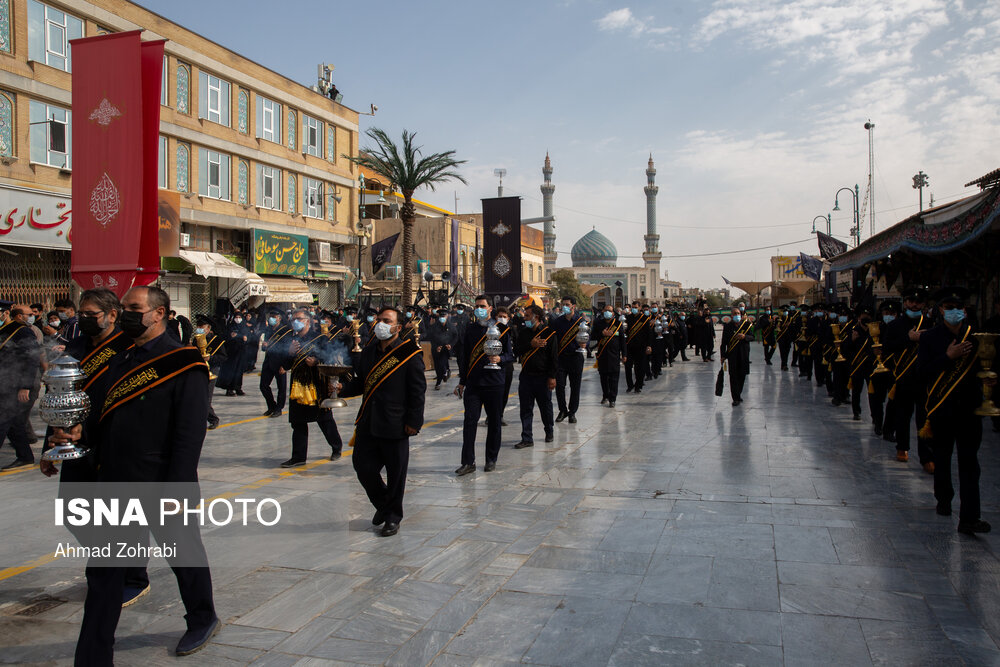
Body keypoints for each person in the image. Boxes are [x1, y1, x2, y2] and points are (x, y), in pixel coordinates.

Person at [51, 285, 219, 663]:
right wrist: (76, 433)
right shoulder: (117, 356)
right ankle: (93, 657)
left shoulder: (184, 361)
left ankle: (202, 617)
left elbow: (189, 433)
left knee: (184, 556)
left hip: (160, 482)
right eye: (124, 307)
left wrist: (178, 489)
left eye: (134, 308)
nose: (125, 314)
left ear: (159, 314)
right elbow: (101, 412)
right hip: (114, 481)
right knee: (103, 575)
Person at [40, 287, 152, 608]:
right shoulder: (74, 348)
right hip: (76, 445)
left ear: (112, 315)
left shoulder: (128, 348)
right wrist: (50, 445)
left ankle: (133, 578)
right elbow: (60, 398)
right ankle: (109, 567)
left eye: (91, 315)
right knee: (74, 514)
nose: (85, 319)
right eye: (82, 314)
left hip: (115, 443)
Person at [339, 306, 425, 537]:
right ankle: (385, 505)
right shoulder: (369, 351)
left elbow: (417, 391)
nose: (380, 324)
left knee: (396, 474)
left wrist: (414, 422)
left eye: (386, 321)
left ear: (398, 327)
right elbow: (362, 383)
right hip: (368, 421)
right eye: (379, 320)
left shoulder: (409, 353)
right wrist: (340, 389)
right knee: (363, 467)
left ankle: (392, 518)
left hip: (396, 422)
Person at [918, 286, 992, 535]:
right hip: (943, 408)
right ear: (941, 310)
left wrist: (990, 378)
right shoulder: (930, 337)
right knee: (942, 457)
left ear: (965, 311)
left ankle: (970, 517)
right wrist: (948, 356)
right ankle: (944, 499)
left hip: (969, 408)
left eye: (959, 308)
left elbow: (984, 367)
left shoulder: (976, 337)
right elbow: (923, 372)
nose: (955, 312)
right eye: (949, 308)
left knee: (970, 463)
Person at [455, 296, 513, 475]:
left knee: (494, 422)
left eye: (482, 306)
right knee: (469, 422)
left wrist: (500, 359)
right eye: (477, 306)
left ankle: (491, 459)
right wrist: (462, 381)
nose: (479, 309)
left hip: (494, 382)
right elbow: (465, 356)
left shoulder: (501, 329)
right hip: (474, 383)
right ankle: (468, 462)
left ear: (490, 309)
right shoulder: (470, 328)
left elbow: (510, 355)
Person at [282, 308, 343, 467]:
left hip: (316, 384)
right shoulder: (292, 340)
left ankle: (336, 447)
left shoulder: (320, 338)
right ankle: (298, 457)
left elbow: (330, 358)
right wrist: (289, 353)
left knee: (324, 419)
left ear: (307, 321)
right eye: (293, 319)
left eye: (299, 319)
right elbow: (286, 365)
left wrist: (316, 361)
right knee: (298, 422)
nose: (295, 322)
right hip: (298, 387)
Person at [885, 287, 934, 468]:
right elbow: (887, 348)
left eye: (918, 302)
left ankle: (926, 456)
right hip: (903, 378)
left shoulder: (931, 324)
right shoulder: (895, 325)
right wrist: (909, 339)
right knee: (903, 416)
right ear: (905, 303)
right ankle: (902, 447)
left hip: (924, 378)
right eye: (911, 301)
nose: (914, 305)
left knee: (924, 418)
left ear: (923, 304)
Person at [0, 304, 41, 469]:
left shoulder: (22, 331)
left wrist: (25, 386)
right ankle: (25, 456)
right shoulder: (5, 330)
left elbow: (31, 359)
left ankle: (25, 456)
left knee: (3, 419)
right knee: (14, 423)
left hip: (14, 383)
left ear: (6, 313)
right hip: (4, 382)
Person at [513, 305, 557, 448]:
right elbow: (517, 351)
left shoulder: (549, 333)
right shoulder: (523, 333)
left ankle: (549, 431)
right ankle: (527, 437)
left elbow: (553, 357)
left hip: (543, 377)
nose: (524, 318)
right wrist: (530, 345)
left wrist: (552, 376)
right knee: (525, 408)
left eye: (527, 316)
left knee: (545, 407)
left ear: (536, 317)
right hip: (526, 376)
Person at [551, 295, 586, 421]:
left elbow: (587, 336)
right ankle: (562, 410)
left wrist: (585, 344)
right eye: (563, 304)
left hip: (576, 357)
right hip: (561, 358)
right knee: (560, 386)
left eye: (567, 304)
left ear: (573, 306)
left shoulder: (581, 322)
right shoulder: (557, 322)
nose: (564, 307)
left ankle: (572, 412)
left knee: (575, 387)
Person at [193, 315, 227, 430]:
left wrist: (210, 358)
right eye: (198, 326)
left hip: (212, 370)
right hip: (199, 369)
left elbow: (223, 357)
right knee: (197, 397)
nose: (199, 329)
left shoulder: (217, 341)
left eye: (202, 327)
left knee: (206, 398)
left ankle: (213, 419)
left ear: (208, 328)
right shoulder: (196, 339)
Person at [259, 309, 292, 418]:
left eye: (274, 317)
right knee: (263, 385)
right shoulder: (268, 329)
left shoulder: (285, 331)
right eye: (270, 316)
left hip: (280, 361)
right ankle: (271, 406)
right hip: (268, 361)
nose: (272, 318)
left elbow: (288, 349)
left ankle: (279, 408)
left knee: (281, 388)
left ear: (279, 318)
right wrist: (264, 346)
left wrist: (285, 365)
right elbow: (265, 347)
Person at [593, 304, 624, 407]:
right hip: (602, 354)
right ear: (602, 311)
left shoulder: (618, 324)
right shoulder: (598, 323)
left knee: (614, 378)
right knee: (603, 378)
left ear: (613, 313)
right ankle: (605, 395)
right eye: (606, 310)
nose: (607, 312)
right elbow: (592, 336)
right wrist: (602, 334)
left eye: (609, 311)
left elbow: (622, 340)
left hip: (614, 355)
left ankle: (613, 399)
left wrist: (624, 354)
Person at [720, 307, 752, 406]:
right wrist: (723, 355)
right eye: (735, 313)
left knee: (742, 375)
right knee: (733, 376)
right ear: (731, 315)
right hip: (732, 355)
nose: (737, 315)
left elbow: (752, 337)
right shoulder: (727, 326)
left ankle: (738, 394)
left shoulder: (746, 325)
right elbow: (724, 343)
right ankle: (735, 398)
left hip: (744, 354)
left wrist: (745, 337)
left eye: (738, 313)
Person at [216, 312, 248, 397]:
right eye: (236, 317)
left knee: (239, 371)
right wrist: (232, 336)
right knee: (231, 370)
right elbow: (225, 337)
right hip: (231, 353)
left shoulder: (244, 327)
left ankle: (238, 388)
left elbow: (249, 337)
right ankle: (229, 389)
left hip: (241, 353)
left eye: (239, 317)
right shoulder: (230, 327)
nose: (238, 319)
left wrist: (244, 338)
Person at [624, 301, 653, 394]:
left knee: (640, 368)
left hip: (641, 346)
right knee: (628, 367)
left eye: (636, 307)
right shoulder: (628, 318)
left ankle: (638, 385)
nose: (634, 309)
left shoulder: (644, 319)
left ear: (640, 308)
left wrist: (649, 345)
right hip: (629, 346)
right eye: (633, 307)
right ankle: (630, 385)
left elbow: (649, 333)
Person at [426, 308, 457, 389]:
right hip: (436, 349)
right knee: (437, 365)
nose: (442, 318)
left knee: (441, 364)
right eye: (441, 316)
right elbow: (430, 337)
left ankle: (438, 382)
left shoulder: (451, 326)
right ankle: (444, 373)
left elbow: (455, 336)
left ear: (447, 316)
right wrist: (436, 346)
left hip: (445, 349)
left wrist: (451, 345)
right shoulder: (434, 326)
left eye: (444, 316)